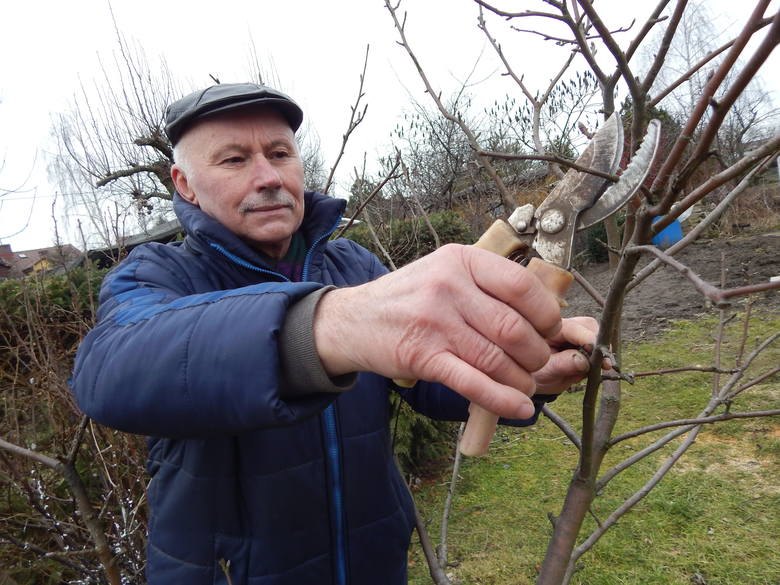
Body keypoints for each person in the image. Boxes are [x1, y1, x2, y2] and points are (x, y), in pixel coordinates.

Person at [70, 83, 598, 585]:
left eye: (279, 153)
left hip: (373, 562)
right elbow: (110, 369)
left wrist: (530, 372)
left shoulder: (353, 264)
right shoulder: (156, 274)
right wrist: (326, 325)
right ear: (183, 184)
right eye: (234, 160)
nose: (268, 177)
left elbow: (428, 384)